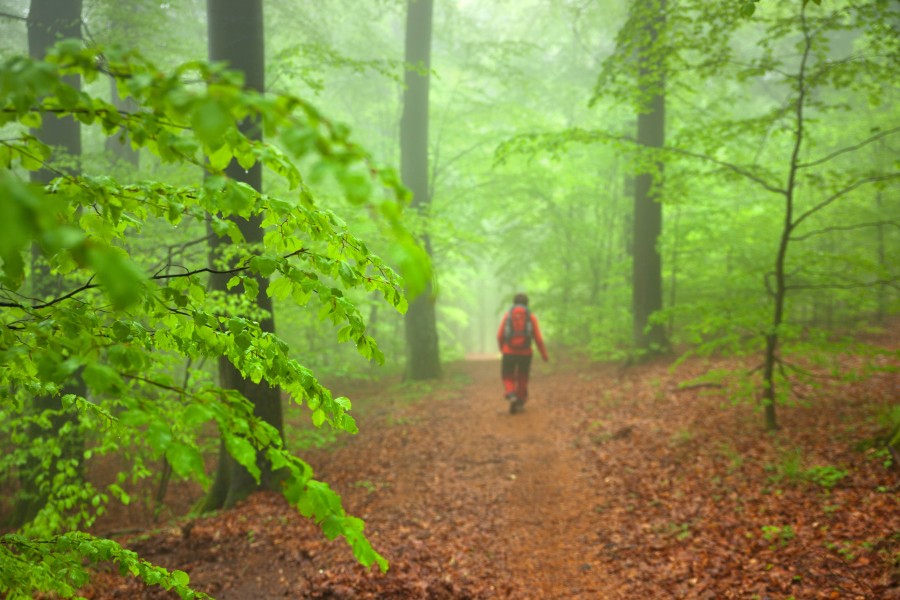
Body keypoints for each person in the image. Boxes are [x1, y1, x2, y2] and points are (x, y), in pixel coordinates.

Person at [496, 293, 548, 414]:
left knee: (507, 375)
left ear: (514, 303)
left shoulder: (507, 316)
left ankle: (510, 393)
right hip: (526, 353)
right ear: (527, 304)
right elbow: (538, 339)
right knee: (523, 377)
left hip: (509, 351)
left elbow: (499, 336)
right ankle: (520, 401)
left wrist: (502, 349)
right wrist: (544, 355)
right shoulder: (531, 317)